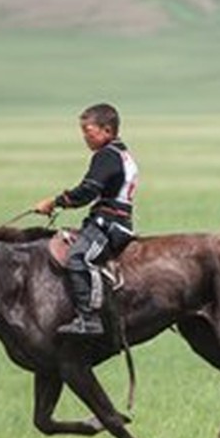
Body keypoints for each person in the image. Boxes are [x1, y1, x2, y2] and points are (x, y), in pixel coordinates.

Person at [34, 103, 139, 337]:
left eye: (89, 132)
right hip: (108, 220)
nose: (85, 138)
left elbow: (87, 191)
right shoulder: (120, 153)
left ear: (107, 131)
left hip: (110, 224)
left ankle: (89, 318)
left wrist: (55, 201)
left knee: (80, 258)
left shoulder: (107, 156)